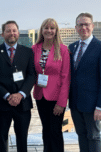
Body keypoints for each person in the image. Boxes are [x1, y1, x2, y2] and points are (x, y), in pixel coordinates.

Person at [0, 20, 36, 152]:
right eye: (8, 31)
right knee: (1, 138)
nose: (11, 33)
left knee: (22, 138)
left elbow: (31, 75)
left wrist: (20, 94)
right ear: (3, 34)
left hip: (23, 103)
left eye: (14, 30)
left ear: (18, 33)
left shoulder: (28, 52)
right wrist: (8, 95)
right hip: (1, 103)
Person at [69, 13, 101, 152]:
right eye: (80, 25)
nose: (83, 27)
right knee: (81, 135)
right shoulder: (72, 47)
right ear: (76, 28)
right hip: (75, 103)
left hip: (93, 105)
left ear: (92, 26)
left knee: (93, 136)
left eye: (86, 24)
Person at [32, 18, 70, 152]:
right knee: (46, 129)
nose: (49, 31)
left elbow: (66, 78)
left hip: (56, 97)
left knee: (55, 131)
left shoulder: (63, 50)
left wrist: (62, 102)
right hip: (40, 95)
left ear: (56, 31)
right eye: (46, 28)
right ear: (41, 30)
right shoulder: (34, 49)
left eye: (52, 28)